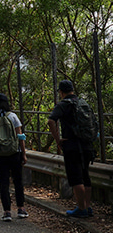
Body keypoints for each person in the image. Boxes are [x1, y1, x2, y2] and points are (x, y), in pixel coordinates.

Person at [48, 80, 94, 218]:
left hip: (72, 146)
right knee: (86, 176)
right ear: (73, 90)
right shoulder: (83, 103)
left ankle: (81, 209)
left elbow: (51, 121)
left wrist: (58, 141)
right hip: (86, 145)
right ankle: (88, 206)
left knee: (76, 178)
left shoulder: (63, 105)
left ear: (61, 92)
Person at [0, 93, 28, 222]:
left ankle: (7, 212)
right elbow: (20, 137)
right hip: (15, 153)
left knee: (3, 183)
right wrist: (24, 154)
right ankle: (21, 209)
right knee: (18, 181)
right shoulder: (13, 116)